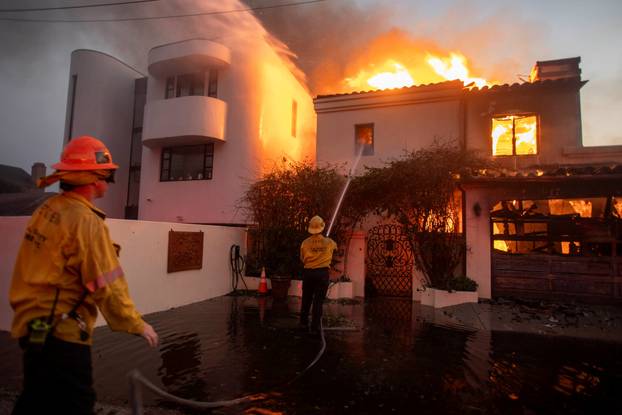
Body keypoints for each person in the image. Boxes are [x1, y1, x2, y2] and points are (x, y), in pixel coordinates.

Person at [9, 136, 159, 414]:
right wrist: (137, 324)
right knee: (76, 403)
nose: (108, 180)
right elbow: (108, 284)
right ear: (94, 177)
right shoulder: (86, 223)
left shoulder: (46, 210)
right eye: (107, 174)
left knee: (36, 398)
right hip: (62, 334)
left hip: (33, 327)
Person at [299, 215, 337, 334]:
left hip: (308, 273)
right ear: (322, 227)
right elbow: (335, 248)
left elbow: (302, 258)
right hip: (322, 274)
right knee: (318, 301)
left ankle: (303, 323)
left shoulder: (304, 243)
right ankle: (315, 327)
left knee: (306, 299)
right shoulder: (329, 242)